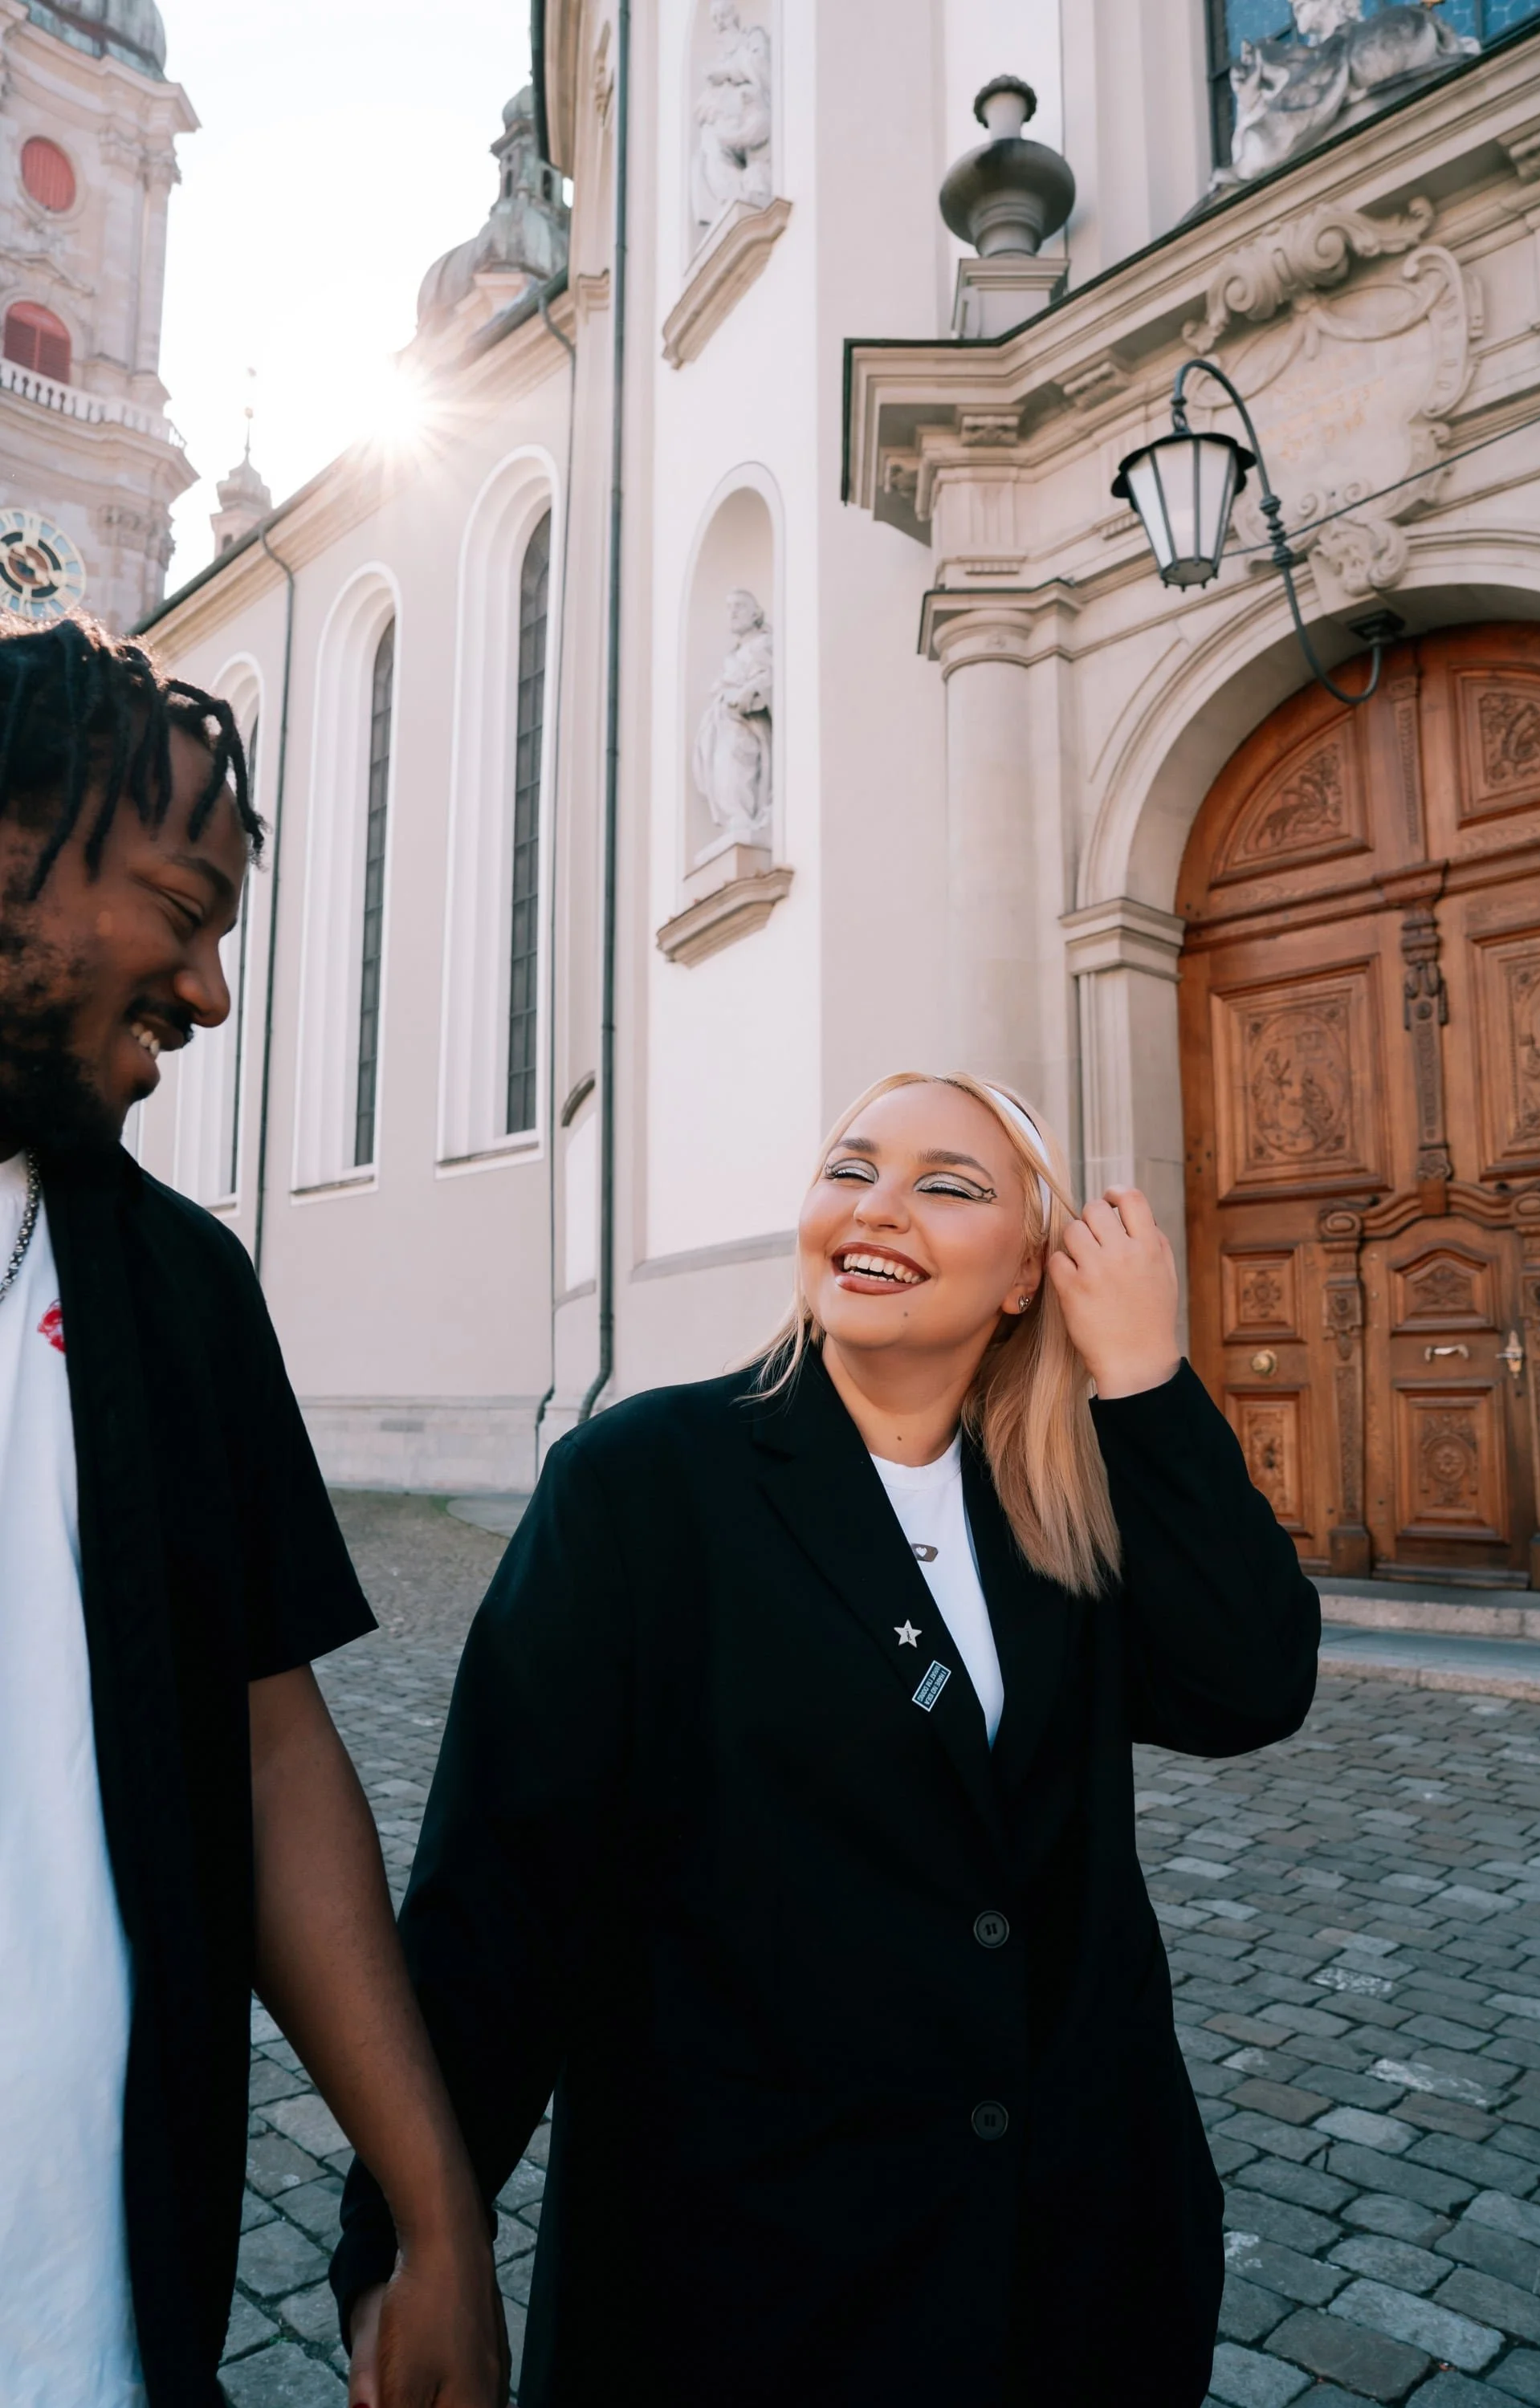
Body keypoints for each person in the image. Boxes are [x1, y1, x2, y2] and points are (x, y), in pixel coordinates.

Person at [334, 1068, 1320, 2406]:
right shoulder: (645, 1484)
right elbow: (501, 1893)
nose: (881, 1207)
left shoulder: (1061, 1503)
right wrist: (410, 2240)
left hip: (1068, 2270)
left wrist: (1144, 1375)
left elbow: (1251, 1687)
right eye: (851, 1168)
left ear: (1030, 1274)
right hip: (753, 2287)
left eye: (950, 1185)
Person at [0, 615, 504, 2408]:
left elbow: (271, 1745)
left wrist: (438, 2216)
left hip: (96, 2323)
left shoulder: (178, 1289)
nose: (210, 994)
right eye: (183, 910)